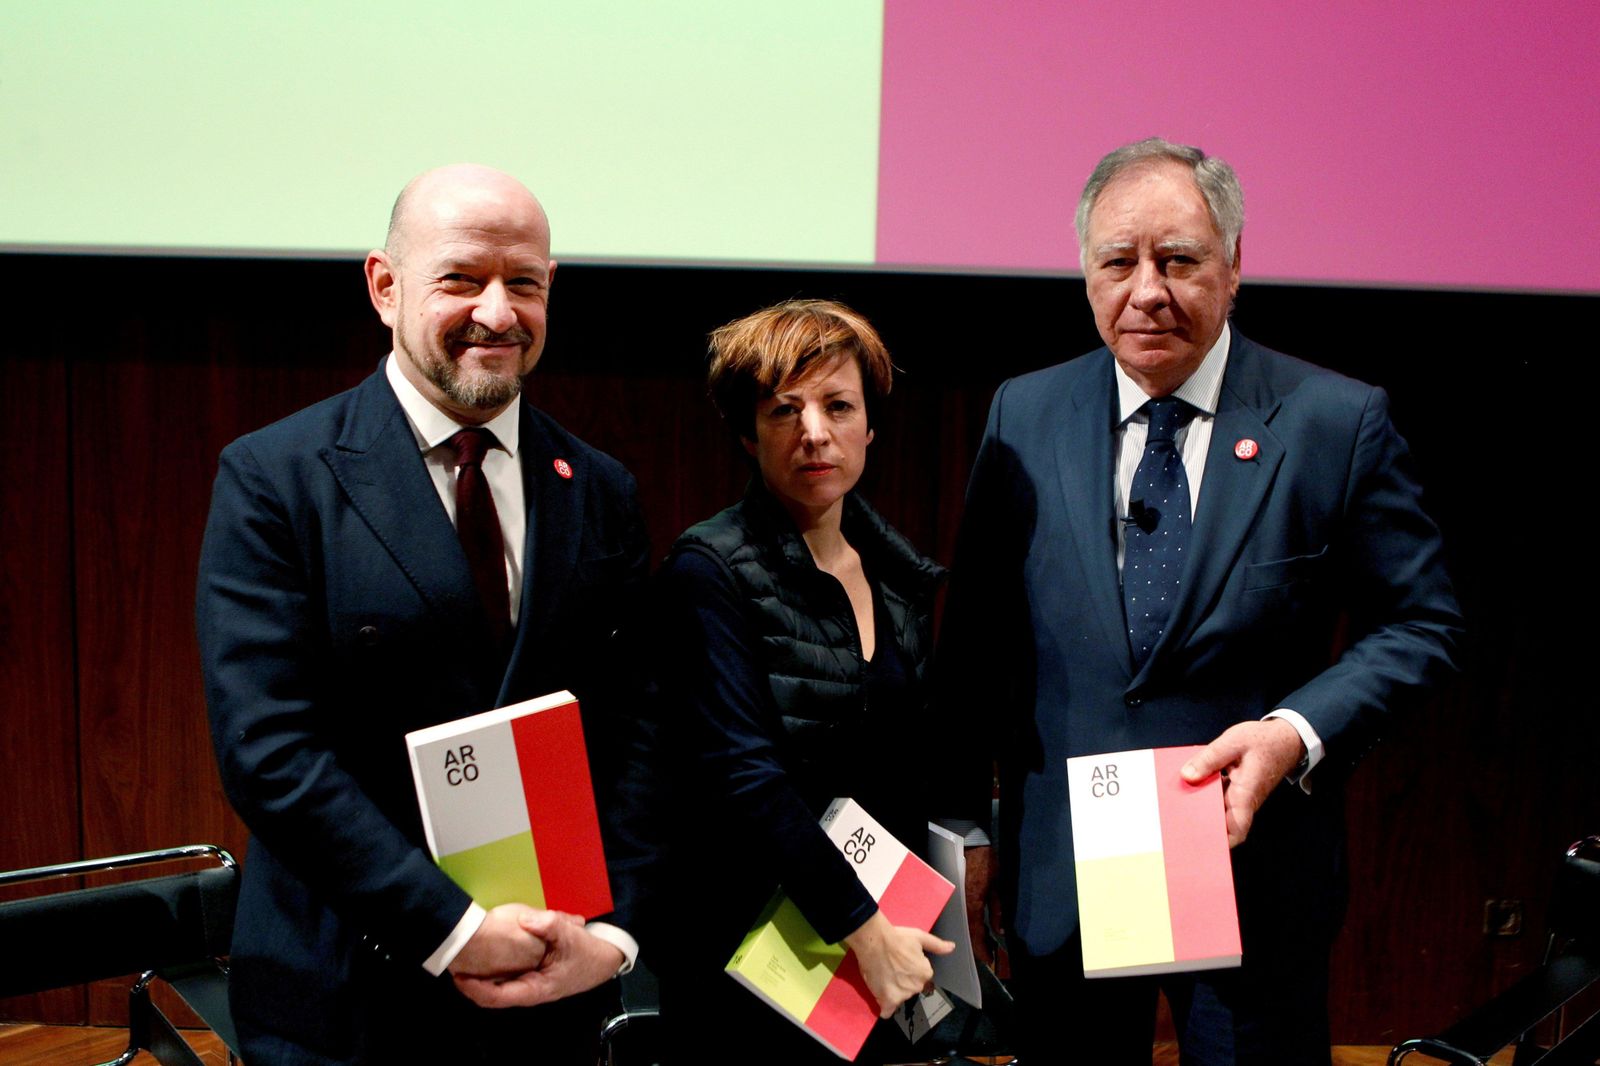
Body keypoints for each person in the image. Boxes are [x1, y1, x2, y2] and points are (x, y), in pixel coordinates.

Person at [938, 138, 1464, 1064]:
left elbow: (1421, 625)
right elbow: (976, 644)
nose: (1147, 291)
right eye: (1118, 263)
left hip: (1253, 872)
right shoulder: (1025, 414)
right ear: (1087, 275)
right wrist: (967, 833)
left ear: (1234, 265)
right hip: (1069, 877)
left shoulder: (1333, 421)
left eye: (1178, 260)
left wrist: (1294, 733)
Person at [196, 164, 654, 1064]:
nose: (497, 311)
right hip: (345, 997)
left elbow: (639, 735)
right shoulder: (275, 478)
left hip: (549, 985)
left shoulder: (599, 489)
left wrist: (614, 936)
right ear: (384, 285)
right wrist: (451, 926)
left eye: (523, 282)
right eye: (460, 278)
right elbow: (270, 754)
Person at [653, 300, 955, 1063]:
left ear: (870, 428)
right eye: (784, 410)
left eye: (837, 405)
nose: (813, 430)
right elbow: (747, 779)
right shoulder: (709, 569)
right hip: (754, 956)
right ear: (749, 434)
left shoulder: (897, 574)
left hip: (876, 952)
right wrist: (865, 929)